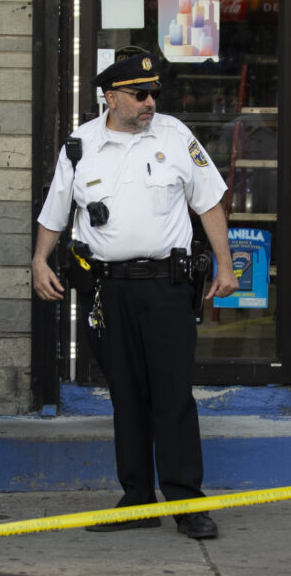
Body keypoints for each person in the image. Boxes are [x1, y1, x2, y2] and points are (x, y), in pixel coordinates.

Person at [32, 47, 240, 539]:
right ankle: (137, 500)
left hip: (167, 287)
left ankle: (187, 502)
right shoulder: (79, 144)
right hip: (107, 290)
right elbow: (55, 210)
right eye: (139, 94)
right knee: (125, 395)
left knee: (172, 394)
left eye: (154, 94)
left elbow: (209, 202)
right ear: (111, 97)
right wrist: (40, 259)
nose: (150, 102)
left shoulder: (175, 136)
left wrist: (226, 264)